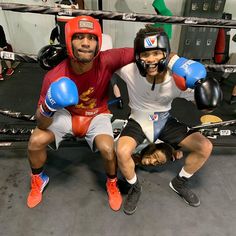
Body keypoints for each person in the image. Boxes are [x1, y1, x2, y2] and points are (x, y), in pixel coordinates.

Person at [27, 15, 134, 211]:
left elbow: (143, 50)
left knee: (108, 149)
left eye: (91, 38)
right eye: (79, 37)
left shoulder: (107, 60)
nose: (86, 43)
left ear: (98, 42)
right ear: (69, 41)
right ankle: (38, 179)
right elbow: (41, 123)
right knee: (35, 141)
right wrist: (48, 107)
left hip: (97, 115)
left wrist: (174, 61)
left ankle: (112, 184)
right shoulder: (54, 76)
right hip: (66, 115)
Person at [116, 25, 222, 215]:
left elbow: (204, 104)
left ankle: (179, 183)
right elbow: (100, 61)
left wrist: (206, 92)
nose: (150, 60)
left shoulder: (177, 77)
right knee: (122, 151)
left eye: (156, 53)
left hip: (164, 120)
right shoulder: (128, 69)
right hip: (138, 120)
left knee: (205, 147)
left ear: (166, 53)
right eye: (145, 54)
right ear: (137, 56)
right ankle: (135, 188)